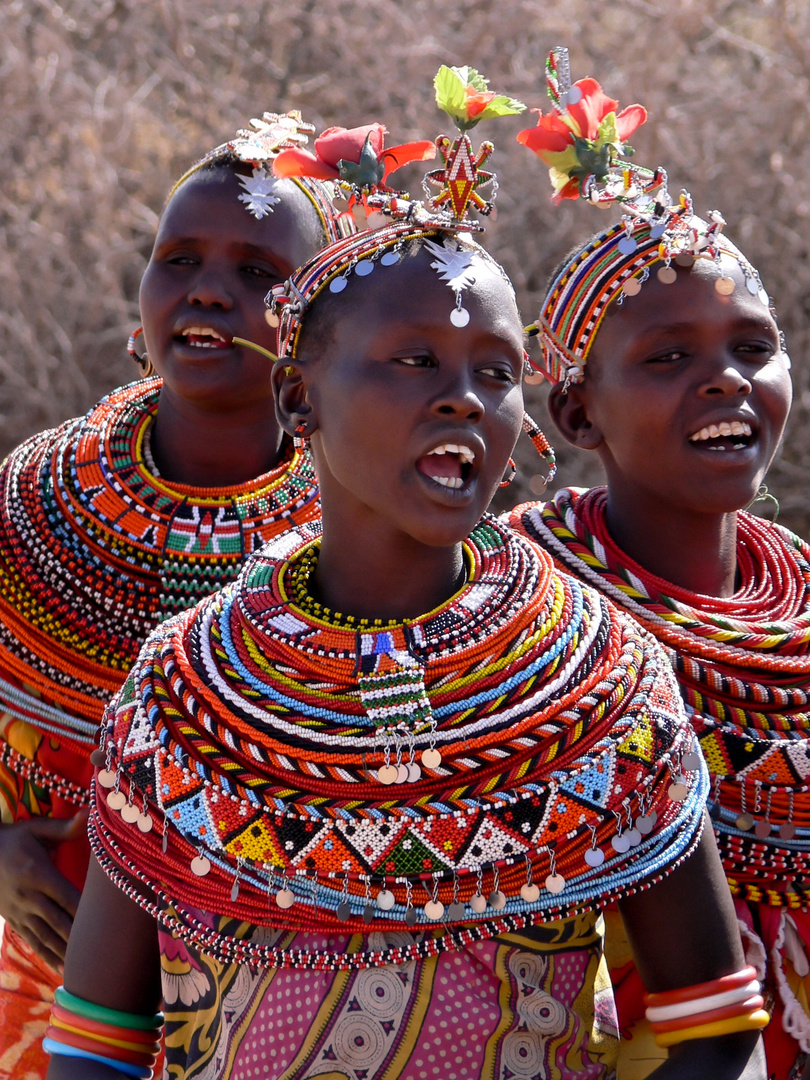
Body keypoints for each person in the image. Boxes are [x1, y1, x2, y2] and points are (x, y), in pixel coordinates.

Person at [44, 76, 764, 1079]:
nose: (463, 400)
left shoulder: (604, 684)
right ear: (299, 398)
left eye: (498, 371)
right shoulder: (182, 696)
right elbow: (92, 1045)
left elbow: (718, 1031)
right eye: (415, 360)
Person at [0, 110, 356, 1076]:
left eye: (257, 273)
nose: (208, 290)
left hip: (283, 985)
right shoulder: (34, 499)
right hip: (35, 972)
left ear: (318, 322)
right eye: (181, 260)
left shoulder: (363, 518)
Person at [510, 47, 805, 1080]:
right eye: (668, 358)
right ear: (578, 413)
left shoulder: (801, 608)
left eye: (751, 347)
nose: (726, 382)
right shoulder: (512, 609)